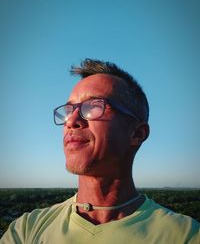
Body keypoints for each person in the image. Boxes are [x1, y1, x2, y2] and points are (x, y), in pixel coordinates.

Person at [1, 59, 199, 244]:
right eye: (69, 110)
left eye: (94, 106)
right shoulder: (27, 230)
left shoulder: (184, 235)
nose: (71, 121)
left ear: (137, 133)